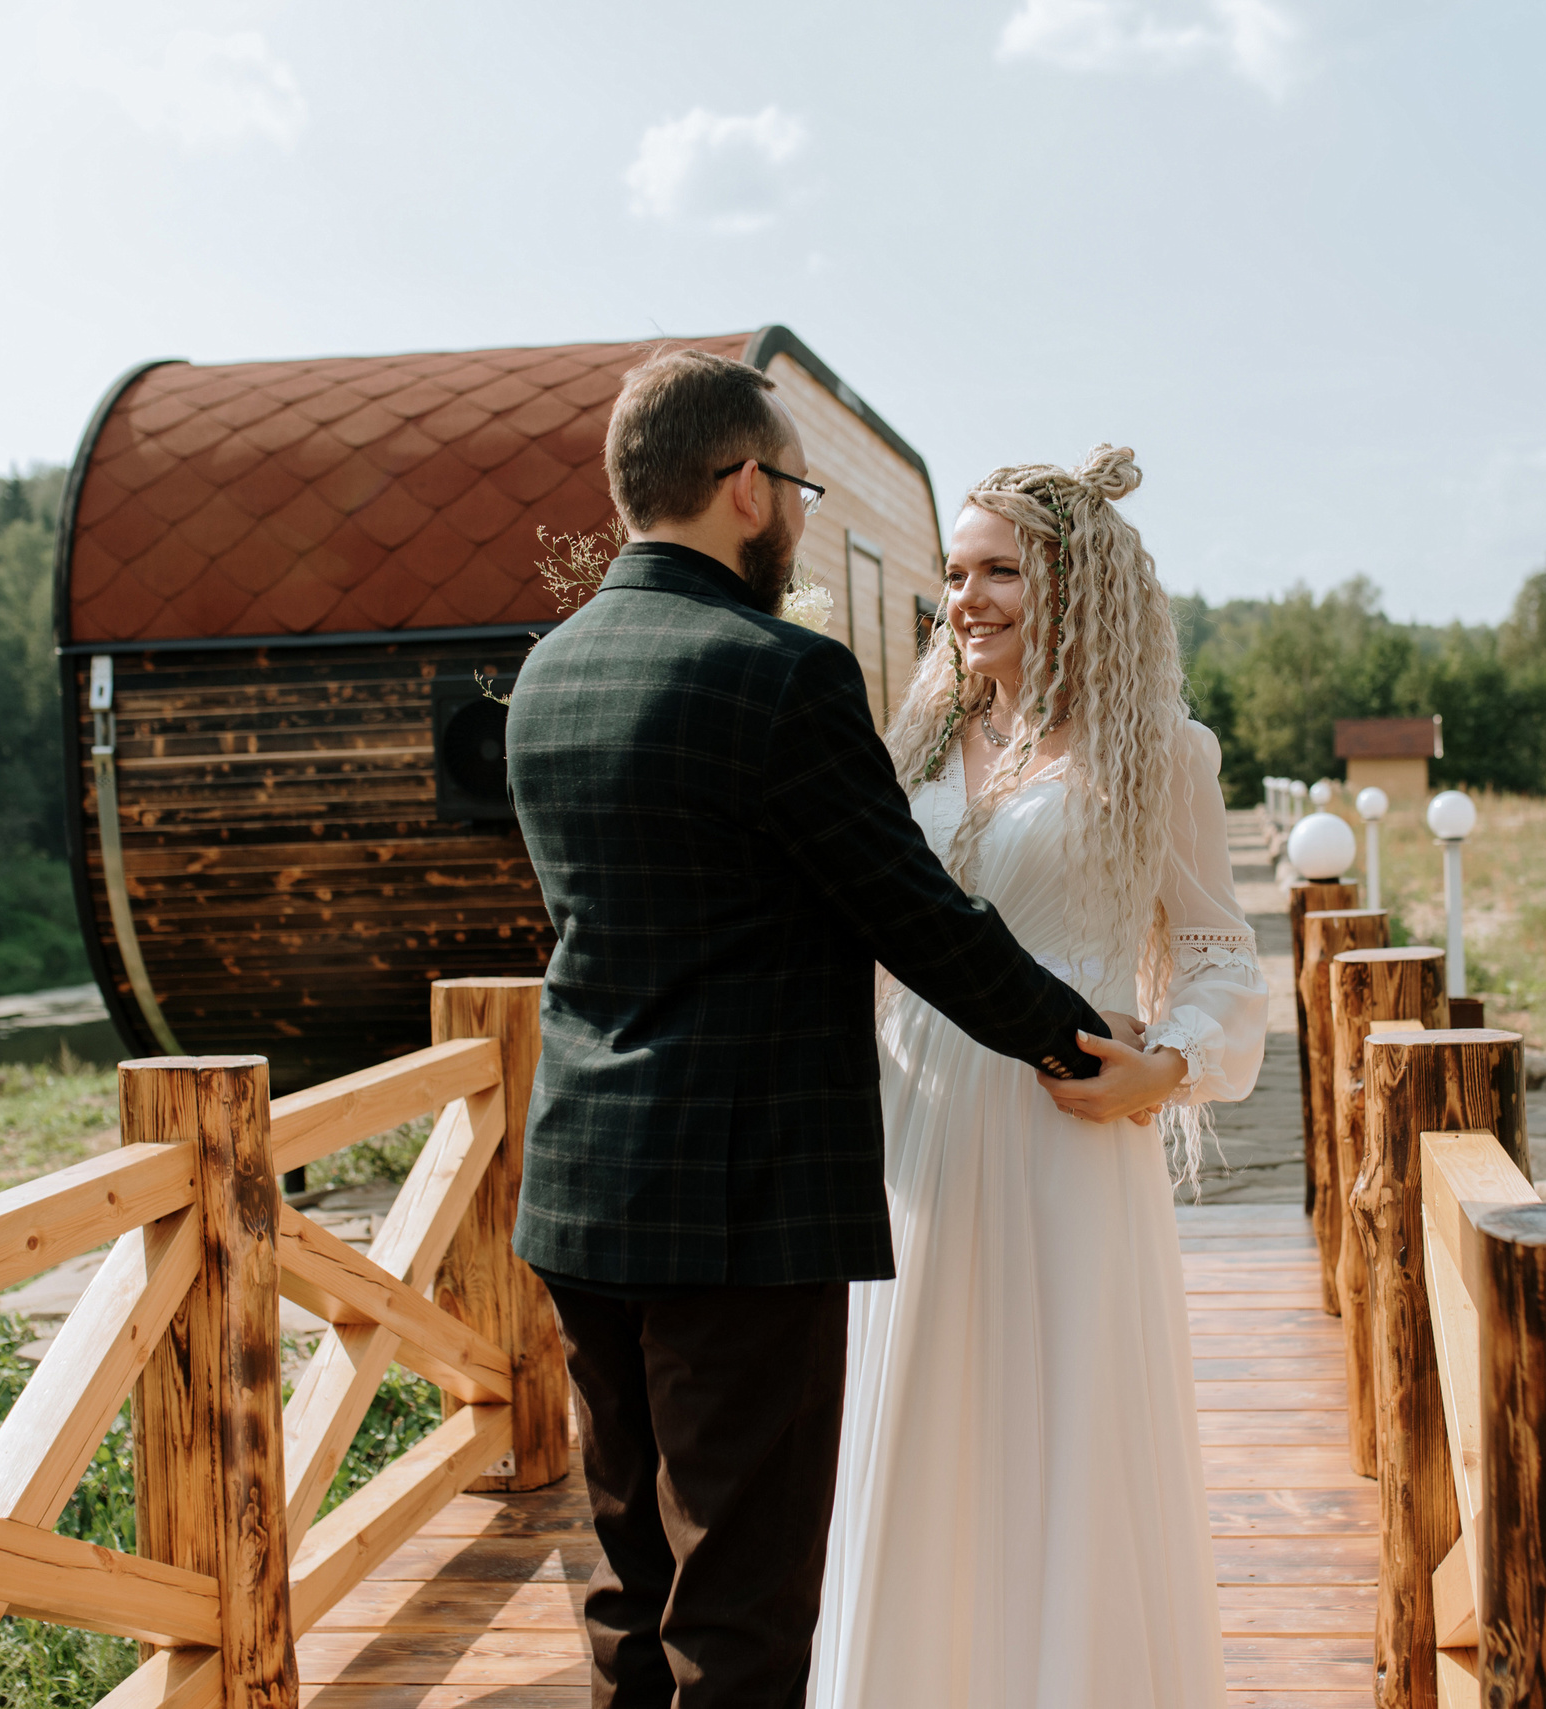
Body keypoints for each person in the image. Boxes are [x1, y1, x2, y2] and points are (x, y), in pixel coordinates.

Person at [502, 350, 1170, 1708]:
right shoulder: (782, 677)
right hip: (741, 1212)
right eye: (797, 488)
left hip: (579, 1191)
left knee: (629, 1588)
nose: (800, 517)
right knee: (741, 1609)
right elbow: (914, 918)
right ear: (745, 487)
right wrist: (1078, 1043)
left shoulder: (551, 671)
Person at [809, 447, 1266, 1709]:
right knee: (915, 1438)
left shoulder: (1158, 752)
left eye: (1001, 568)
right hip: (911, 1131)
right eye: (953, 573)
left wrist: (1164, 1069)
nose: (967, 597)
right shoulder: (913, 743)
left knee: (1058, 1448)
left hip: (1063, 1132)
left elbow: (1224, 947)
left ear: (1081, 586)